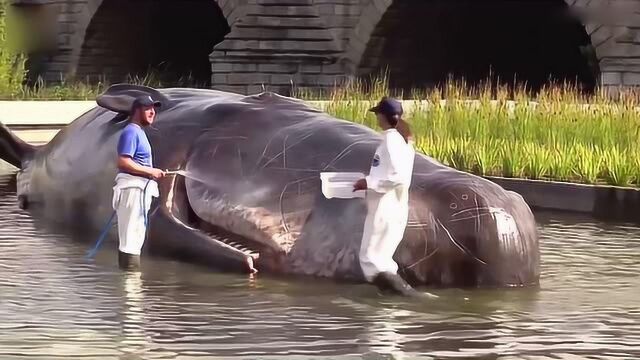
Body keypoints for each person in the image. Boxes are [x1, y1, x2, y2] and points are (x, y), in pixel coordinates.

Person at [352, 96, 419, 296]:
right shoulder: (404, 140)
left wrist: (368, 182)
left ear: (384, 116)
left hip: (385, 206)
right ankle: (393, 301)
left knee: (370, 258)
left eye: (378, 114)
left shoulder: (391, 140)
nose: (377, 119)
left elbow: (396, 176)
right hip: (395, 205)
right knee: (382, 258)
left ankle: (407, 296)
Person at [112, 95, 165, 270]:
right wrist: (151, 171)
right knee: (130, 239)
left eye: (153, 109)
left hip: (139, 189)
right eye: (147, 108)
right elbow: (123, 161)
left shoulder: (139, 132)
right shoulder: (131, 131)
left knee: (135, 237)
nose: (152, 112)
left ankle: (132, 287)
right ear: (136, 111)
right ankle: (130, 287)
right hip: (132, 189)